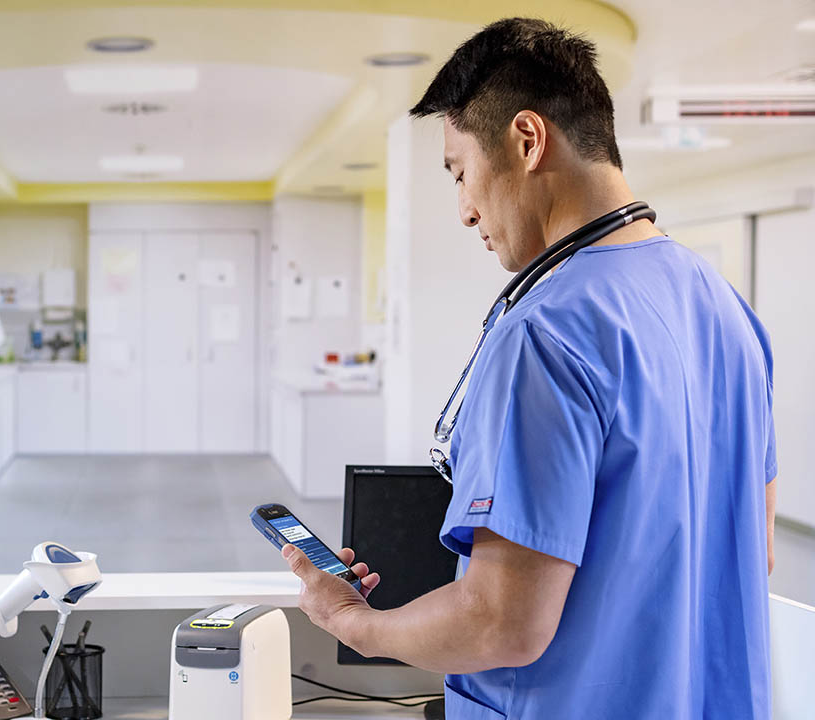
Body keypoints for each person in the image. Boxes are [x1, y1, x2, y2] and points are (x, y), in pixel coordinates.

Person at [282, 18, 777, 720]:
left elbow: (502, 624)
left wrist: (351, 623)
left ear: (526, 139)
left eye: (459, 172)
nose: (464, 210)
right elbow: (750, 555)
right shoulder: (729, 313)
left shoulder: (544, 334)